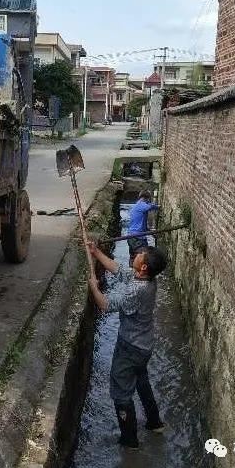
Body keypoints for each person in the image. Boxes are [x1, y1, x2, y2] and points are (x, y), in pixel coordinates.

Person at [87, 241, 167, 449]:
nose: (138, 253)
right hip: (144, 345)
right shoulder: (148, 279)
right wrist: (96, 252)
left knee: (121, 392)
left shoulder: (136, 291)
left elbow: (105, 305)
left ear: (143, 267)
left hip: (130, 348)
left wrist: (95, 288)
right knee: (141, 381)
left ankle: (129, 441)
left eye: (142, 254)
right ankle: (154, 423)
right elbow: (120, 270)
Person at [127, 190, 159, 261]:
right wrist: (158, 207)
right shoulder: (141, 204)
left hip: (130, 237)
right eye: (148, 200)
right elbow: (150, 207)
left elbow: (140, 225)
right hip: (138, 238)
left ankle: (132, 270)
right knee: (144, 259)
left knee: (133, 259)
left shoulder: (135, 206)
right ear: (146, 198)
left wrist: (151, 232)